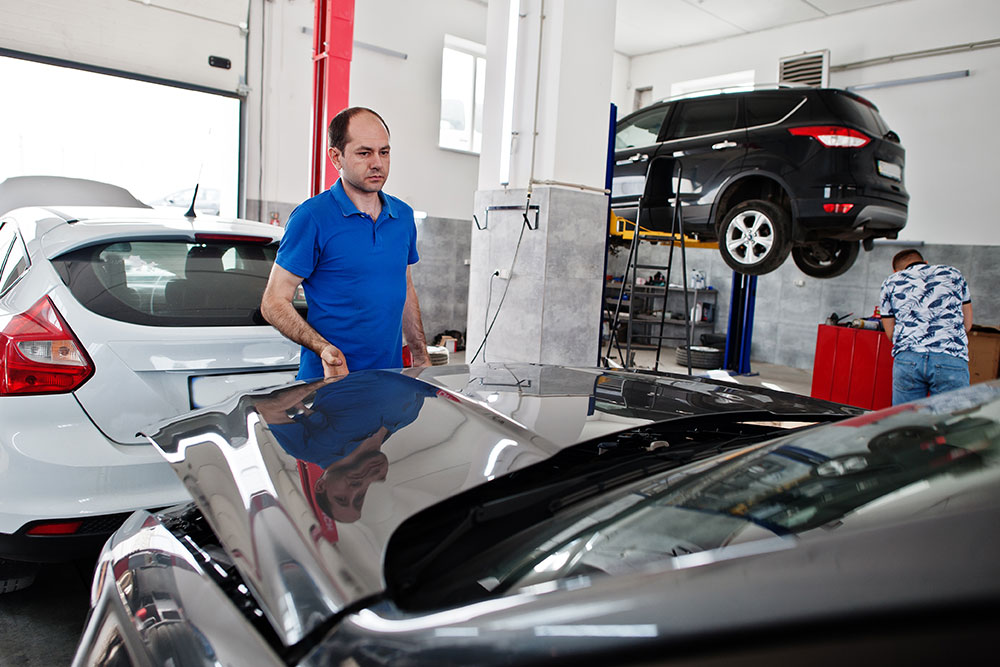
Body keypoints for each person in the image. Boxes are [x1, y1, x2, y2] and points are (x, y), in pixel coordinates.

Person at [261, 106, 430, 379]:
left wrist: (421, 356)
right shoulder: (312, 218)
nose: (377, 163)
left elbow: (406, 288)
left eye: (384, 152)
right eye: (364, 153)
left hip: (389, 382)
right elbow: (273, 301)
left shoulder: (403, 216)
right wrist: (322, 347)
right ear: (335, 157)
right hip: (329, 385)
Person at [879, 248, 973, 404]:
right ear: (926, 263)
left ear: (896, 270)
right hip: (950, 358)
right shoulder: (954, 274)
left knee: (906, 421)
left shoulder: (891, 281)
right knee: (951, 423)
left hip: (908, 360)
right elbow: (967, 325)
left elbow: (891, 334)